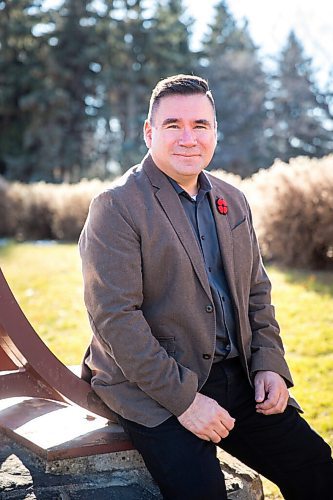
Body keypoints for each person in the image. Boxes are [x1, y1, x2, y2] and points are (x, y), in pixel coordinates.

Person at [79, 74, 333, 499]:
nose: (187, 138)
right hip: (153, 387)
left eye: (200, 125)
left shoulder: (232, 200)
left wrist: (269, 362)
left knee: (317, 469)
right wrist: (186, 401)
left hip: (238, 377)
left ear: (215, 131)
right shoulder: (116, 205)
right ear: (149, 132)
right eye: (173, 125)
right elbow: (116, 319)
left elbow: (256, 290)